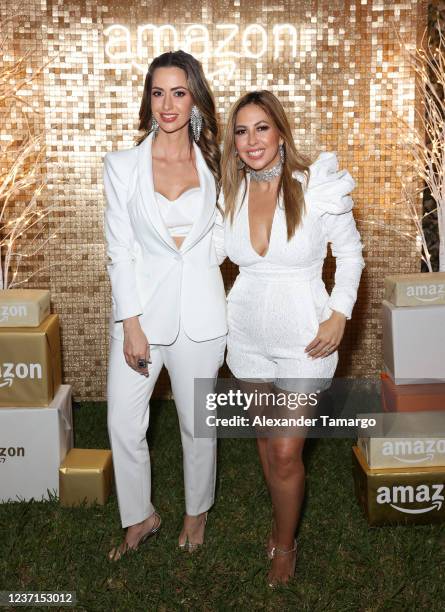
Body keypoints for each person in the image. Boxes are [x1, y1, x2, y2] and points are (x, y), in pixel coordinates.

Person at [220, 90, 365, 586]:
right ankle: (281, 518)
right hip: (245, 336)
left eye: (262, 127)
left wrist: (340, 314)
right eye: (241, 130)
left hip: (306, 337)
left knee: (286, 451)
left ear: (281, 131)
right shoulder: (230, 193)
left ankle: (286, 544)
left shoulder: (315, 186)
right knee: (266, 439)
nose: (252, 140)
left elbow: (350, 256)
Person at [103, 50, 227, 561]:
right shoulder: (123, 165)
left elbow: (224, 236)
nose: (168, 104)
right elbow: (119, 248)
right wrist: (131, 323)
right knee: (122, 423)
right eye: (158, 92)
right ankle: (140, 515)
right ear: (147, 98)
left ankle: (196, 513)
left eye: (179, 92)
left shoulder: (218, 163)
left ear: (194, 95)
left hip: (202, 315)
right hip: (141, 317)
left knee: (198, 425)